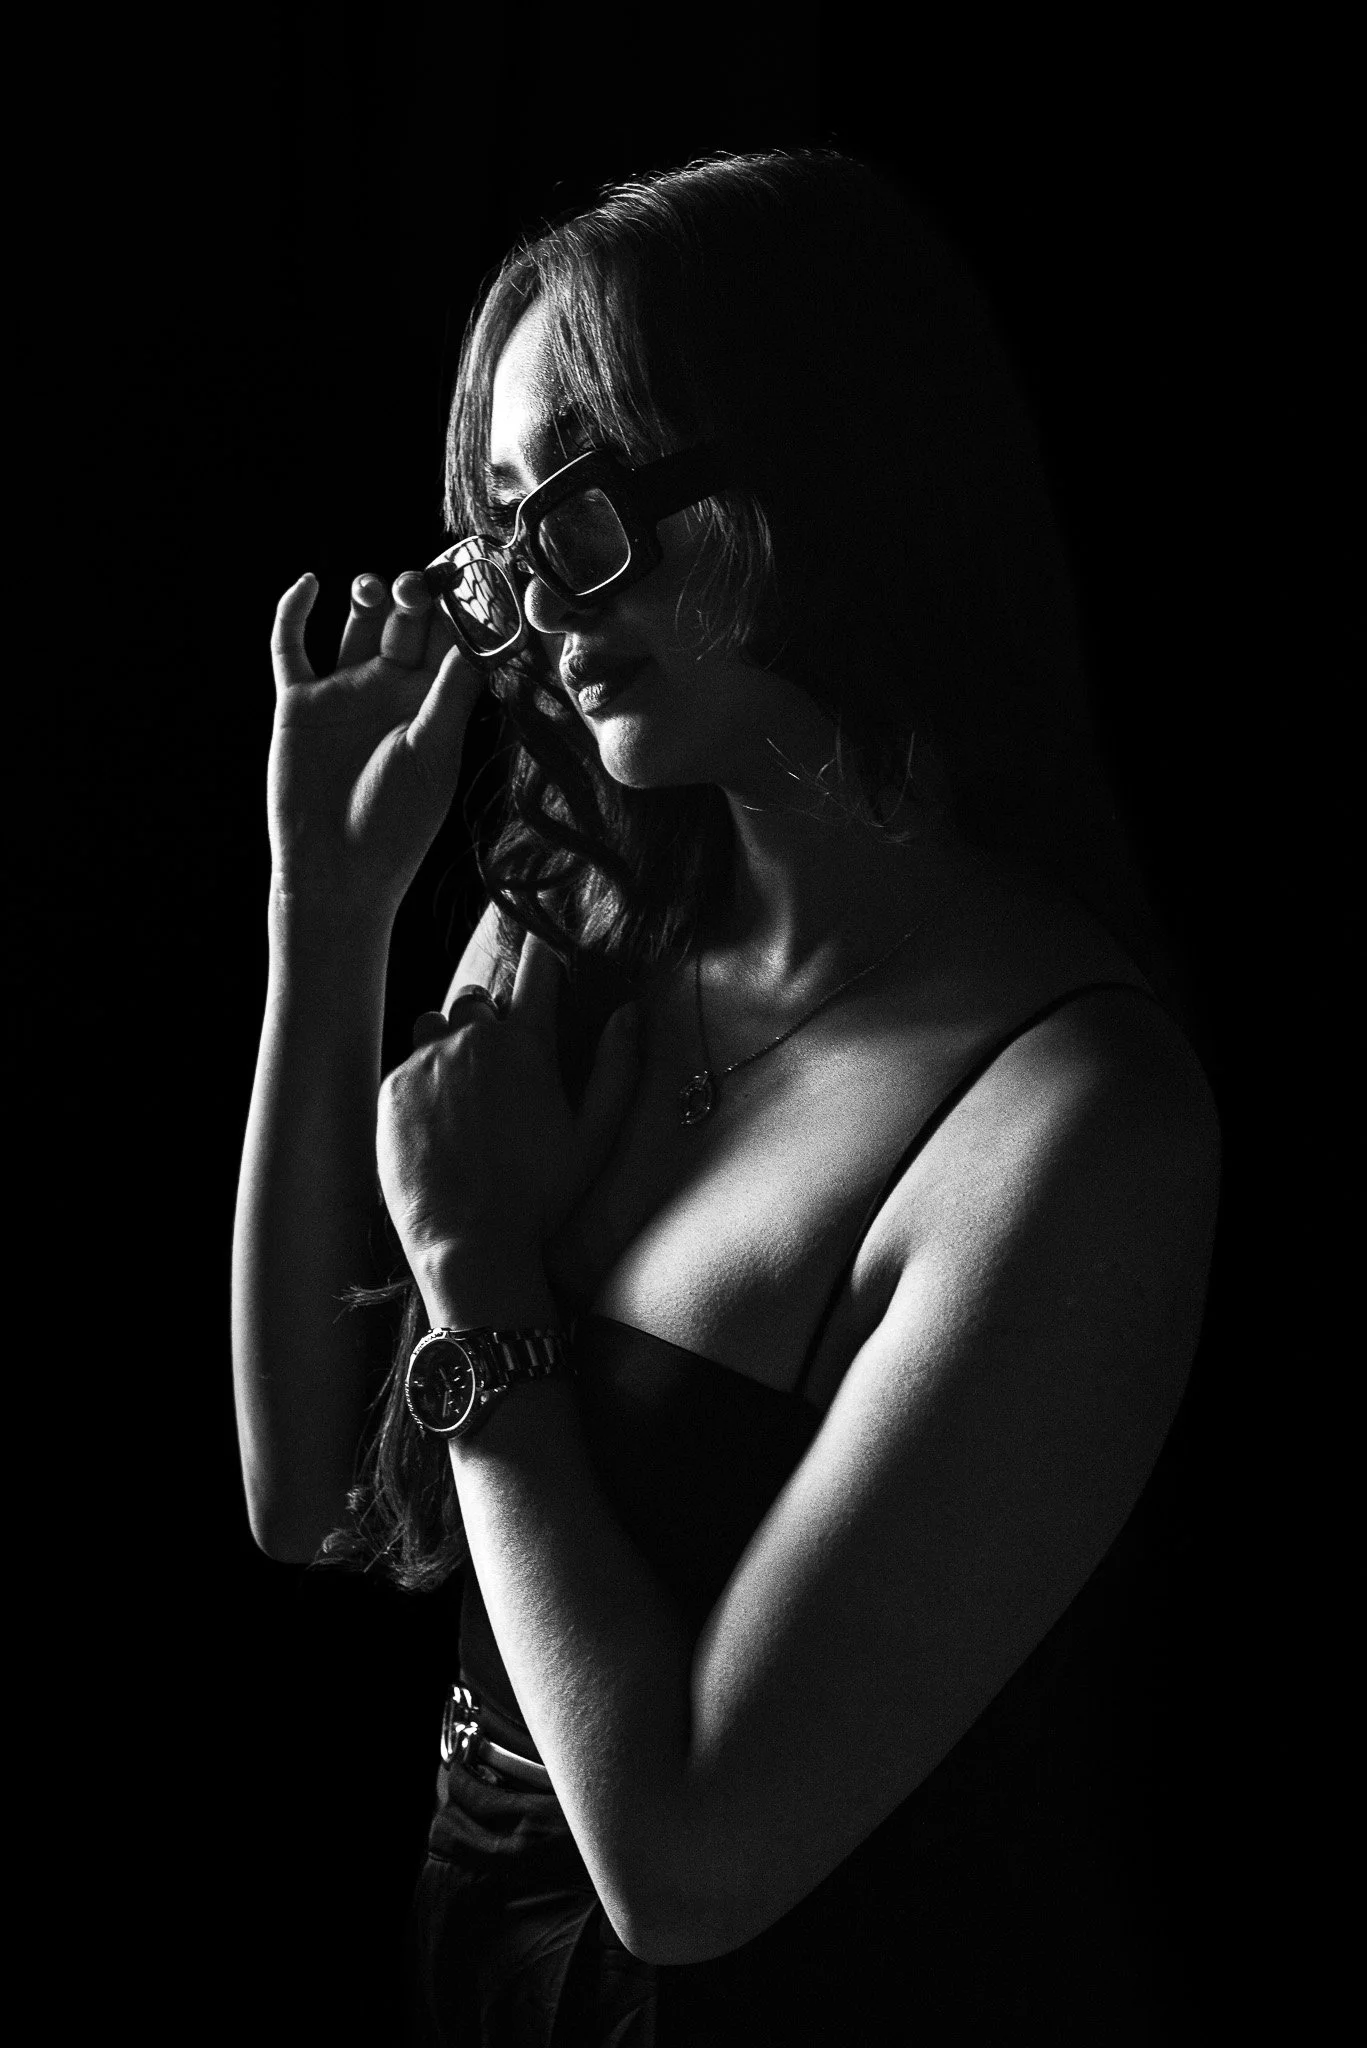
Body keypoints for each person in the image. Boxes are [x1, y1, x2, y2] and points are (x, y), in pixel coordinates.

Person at [233, 150, 1220, 2044]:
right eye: (504, 529)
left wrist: (479, 1275)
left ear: (813, 475)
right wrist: (328, 907)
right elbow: (302, 1497)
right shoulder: (578, 936)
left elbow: (688, 1871)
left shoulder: (1072, 1121)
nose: (536, 590)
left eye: (583, 511)